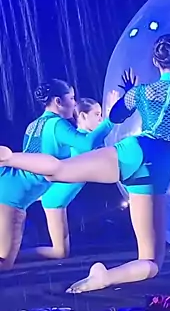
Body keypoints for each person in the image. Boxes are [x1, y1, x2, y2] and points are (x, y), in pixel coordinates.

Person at [0, 34, 170, 291]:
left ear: (155, 62)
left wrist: (129, 94)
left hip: (129, 151)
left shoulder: (141, 92)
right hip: (152, 172)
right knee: (150, 261)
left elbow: (116, 116)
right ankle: (106, 277)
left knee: (58, 170)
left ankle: (9, 157)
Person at [0, 79, 116, 271]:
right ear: (58, 101)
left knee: (7, 261)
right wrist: (111, 119)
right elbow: (86, 143)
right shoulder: (57, 124)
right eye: (71, 98)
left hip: (12, 188)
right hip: (13, 196)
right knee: (4, 264)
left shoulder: (35, 124)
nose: (74, 103)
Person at [31, 93, 119, 260]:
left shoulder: (89, 140)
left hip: (59, 199)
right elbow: (90, 145)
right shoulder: (80, 140)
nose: (100, 119)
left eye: (101, 115)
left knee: (60, 252)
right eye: (97, 114)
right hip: (55, 197)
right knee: (59, 252)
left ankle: (13, 256)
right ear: (83, 116)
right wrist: (112, 117)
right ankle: (10, 257)